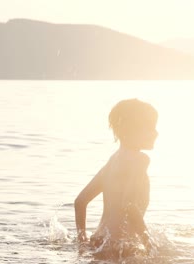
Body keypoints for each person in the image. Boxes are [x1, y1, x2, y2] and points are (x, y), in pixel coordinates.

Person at [74, 98, 158, 258]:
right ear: (134, 130)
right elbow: (129, 205)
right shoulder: (140, 160)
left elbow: (80, 202)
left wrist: (82, 240)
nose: (156, 133)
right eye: (151, 127)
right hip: (119, 247)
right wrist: (148, 241)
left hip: (98, 242)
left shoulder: (112, 162)